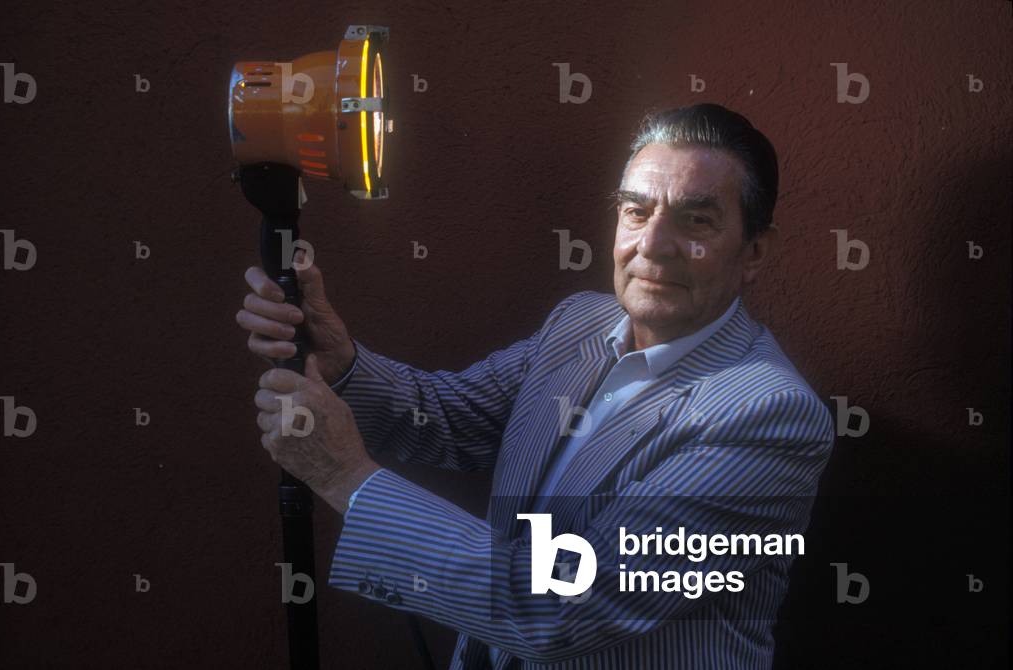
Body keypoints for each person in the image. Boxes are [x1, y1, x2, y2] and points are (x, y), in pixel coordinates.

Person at [237, 103, 835, 669]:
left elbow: (565, 602)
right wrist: (342, 360)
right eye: (635, 210)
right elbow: (448, 421)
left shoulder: (768, 416)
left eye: (696, 219)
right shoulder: (579, 322)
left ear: (754, 251)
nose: (652, 245)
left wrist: (345, 477)